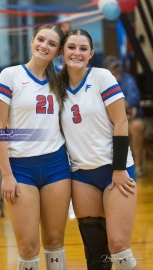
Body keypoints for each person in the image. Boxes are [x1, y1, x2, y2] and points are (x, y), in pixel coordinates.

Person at [0, 24, 71, 270]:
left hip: (56, 166)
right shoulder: (10, 75)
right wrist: (6, 175)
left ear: (58, 51)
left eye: (51, 43)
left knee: (55, 241)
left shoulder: (58, 81)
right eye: (40, 39)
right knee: (27, 247)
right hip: (20, 169)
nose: (43, 46)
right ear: (32, 41)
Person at [59, 29, 138, 270]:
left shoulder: (102, 77)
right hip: (82, 175)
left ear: (91, 54)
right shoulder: (56, 86)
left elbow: (121, 122)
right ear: (62, 51)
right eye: (71, 47)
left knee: (118, 247)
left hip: (115, 171)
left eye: (83, 49)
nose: (77, 53)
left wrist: (118, 168)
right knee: (95, 253)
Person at [103, 55, 146, 177]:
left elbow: (134, 98)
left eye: (117, 66)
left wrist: (117, 106)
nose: (117, 70)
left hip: (130, 119)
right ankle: (107, 169)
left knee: (137, 126)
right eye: (113, 68)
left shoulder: (128, 79)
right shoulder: (101, 82)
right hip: (109, 122)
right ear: (106, 70)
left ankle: (138, 166)